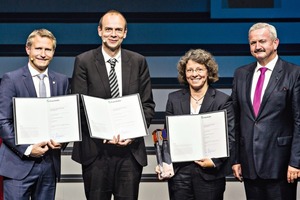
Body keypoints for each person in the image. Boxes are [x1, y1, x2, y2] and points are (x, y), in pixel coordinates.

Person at [71, 10, 155, 200]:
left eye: (118, 30)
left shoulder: (138, 61)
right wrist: (103, 134)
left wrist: (132, 134)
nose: (113, 34)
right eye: (108, 29)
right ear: (99, 31)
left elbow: (147, 105)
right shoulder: (83, 61)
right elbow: (79, 106)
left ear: (125, 33)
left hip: (129, 153)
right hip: (96, 152)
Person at [231, 22, 300, 200]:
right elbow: (236, 120)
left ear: (275, 43)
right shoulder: (240, 74)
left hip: (282, 165)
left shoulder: (293, 73)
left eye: (262, 41)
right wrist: (236, 159)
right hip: (249, 164)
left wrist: (296, 162)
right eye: (253, 43)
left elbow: (299, 120)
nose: (257, 46)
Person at [0, 29, 69, 200]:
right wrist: (28, 149)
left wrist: (62, 140)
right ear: (28, 50)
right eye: (38, 48)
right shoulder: (11, 79)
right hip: (18, 165)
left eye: (48, 49)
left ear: (53, 53)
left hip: (49, 166)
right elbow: (3, 121)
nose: (43, 54)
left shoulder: (61, 81)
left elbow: (65, 119)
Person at [159, 49, 235, 200]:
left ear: (208, 72)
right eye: (190, 70)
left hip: (210, 174)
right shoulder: (173, 99)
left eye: (200, 69)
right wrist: (163, 163)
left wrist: (214, 162)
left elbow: (230, 137)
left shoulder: (222, 101)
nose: (195, 74)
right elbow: (166, 136)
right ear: (184, 73)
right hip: (180, 174)